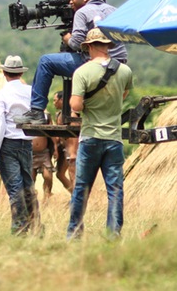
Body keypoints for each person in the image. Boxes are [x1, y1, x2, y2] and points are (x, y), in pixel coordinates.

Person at [15, 0, 128, 125]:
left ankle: (37, 111)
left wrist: (68, 38)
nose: (70, 2)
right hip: (118, 63)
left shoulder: (82, 12)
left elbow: (76, 43)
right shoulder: (113, 10)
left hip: (94, 64)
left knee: (46, 62)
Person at [67, 28, 133, 240]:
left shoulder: (82, 72)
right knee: (115, 191)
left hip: (91, 137)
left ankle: (75, 235)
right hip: (114, 139)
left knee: (81, 190)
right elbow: (123, 96)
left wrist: (77, 102)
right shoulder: (124, 71)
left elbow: (76, 106)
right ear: (107, 45)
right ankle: (113, 235)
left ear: (89, 46)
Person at [0, 56, 41, 235]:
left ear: (4, 73)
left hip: (8, 145)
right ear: (20, 72)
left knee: (15, 188)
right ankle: (35, 225)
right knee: (28, 186)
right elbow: (37, 115)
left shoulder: (1, 95)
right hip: (26, 143)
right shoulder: (31, 91)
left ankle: (19, 229)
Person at [52, 91, 73, 193]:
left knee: (71, 172)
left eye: (55, 100)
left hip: (70, 148)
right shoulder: (59, 114)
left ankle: (77, 198)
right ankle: (75, 196)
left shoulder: (71, 114)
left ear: (61, 100)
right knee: (60, 174)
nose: (53, 103)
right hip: (63, 148)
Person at [31, 135, 54, 202]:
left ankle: (47, 195)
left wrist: (55, 146)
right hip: (31, 152)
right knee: (31, 178)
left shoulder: (45, 123)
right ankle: (32, 196)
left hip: (44, 152)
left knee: (48, 176)